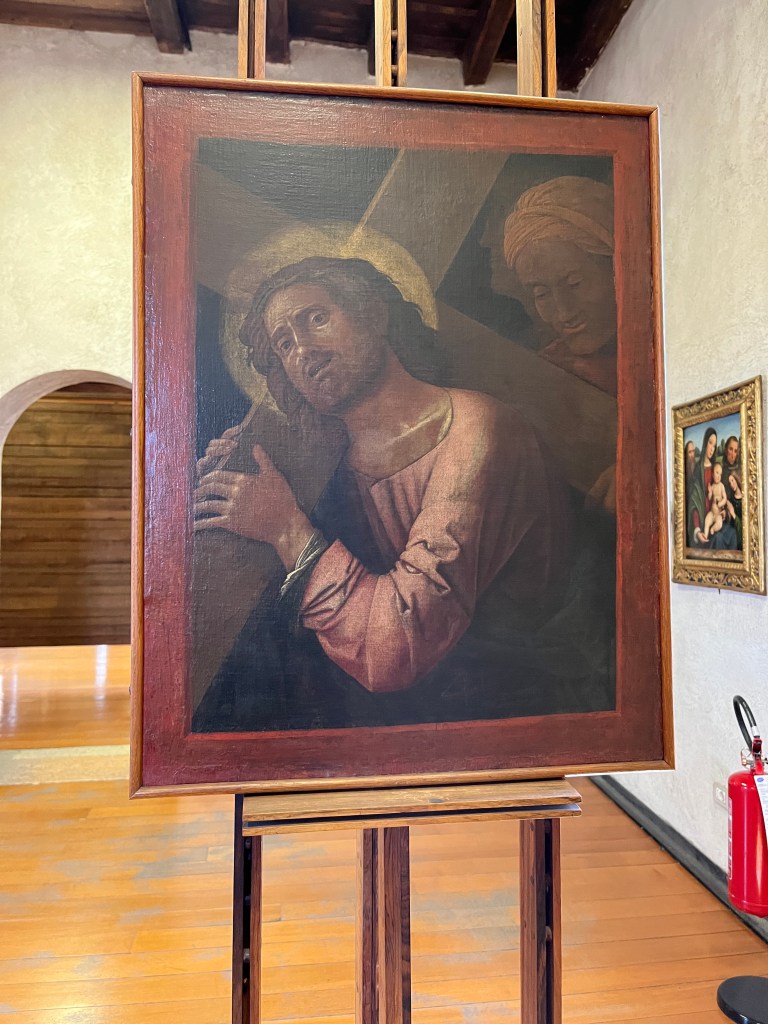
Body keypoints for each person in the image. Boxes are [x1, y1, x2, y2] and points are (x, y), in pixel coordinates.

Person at [191, 256, 612, 732]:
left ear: (373, 314)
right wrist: (238, 481)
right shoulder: (329, 458)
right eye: (284, 343)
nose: (305, 350)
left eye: (317, 318)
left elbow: (394, 650)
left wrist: (286, 528)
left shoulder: (474, 434)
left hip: (498, 713)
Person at [503, 176, 617, 396]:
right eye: (541, 294)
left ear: (615, 269)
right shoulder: (549, 371)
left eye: (575, 283)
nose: (565, 312)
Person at [687, 427, 738, 551]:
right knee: (717, 538)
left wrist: (725, 512)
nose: (712, 448)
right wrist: (697, 530)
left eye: (714, 445)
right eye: (710, 443)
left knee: (732, 534)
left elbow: (725, 497)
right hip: (705, 521)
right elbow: (694, 504)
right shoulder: (698, 471)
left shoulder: (717, 468)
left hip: (718, 517)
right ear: (705, 443)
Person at [701, 462, 727, 541]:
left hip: (718, 514)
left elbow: (725, 498)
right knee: (707, 519)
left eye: (720, 474)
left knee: (719, 523)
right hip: (712, 513)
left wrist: (720, 504)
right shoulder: (712, 486)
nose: (719, 476)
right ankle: (705, 534)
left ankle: (713, 528)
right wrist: (710, 493)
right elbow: (709, 498)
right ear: (712, 475)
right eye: (717, 473)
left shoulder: (721, 486)